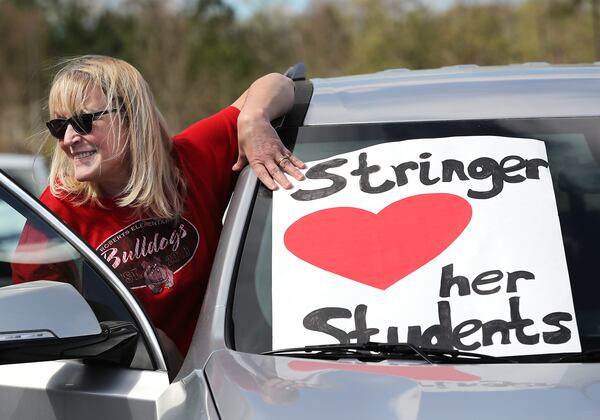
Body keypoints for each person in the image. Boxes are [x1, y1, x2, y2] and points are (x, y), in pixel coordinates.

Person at [12, 55, 305, 360]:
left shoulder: (189, 162)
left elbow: (280, 84)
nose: (69, 139)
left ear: (132, 117)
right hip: (129, 390)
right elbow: (38, 326)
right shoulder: (56, 213)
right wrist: (144, 345)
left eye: (84, 121)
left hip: (237, 368)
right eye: (59, 126)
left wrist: (253, 119)